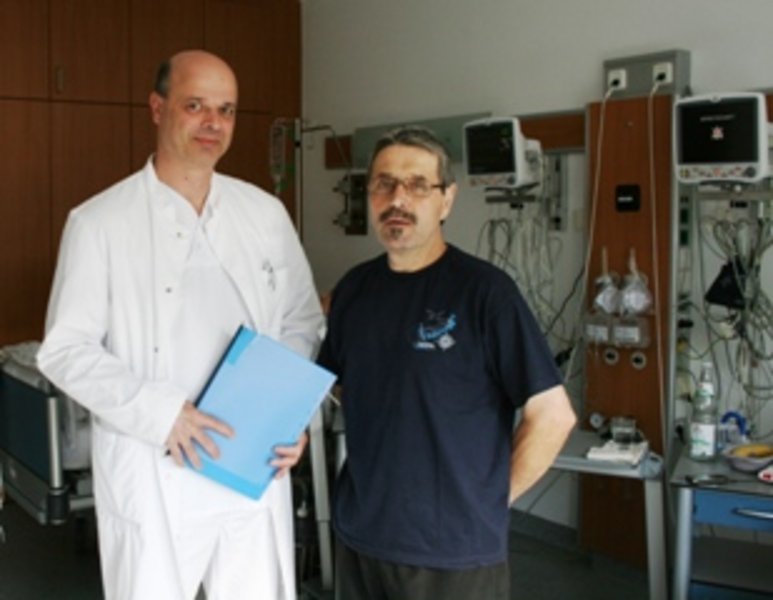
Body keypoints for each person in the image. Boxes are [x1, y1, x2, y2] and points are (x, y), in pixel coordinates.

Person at [37, 50, 323, 600]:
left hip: (250, 462)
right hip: (153, 467)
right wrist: (161, 413)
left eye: (226, 110)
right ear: (157, 108)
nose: (213, 122)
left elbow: (301, 320)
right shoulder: (99, 222)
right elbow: (66, 349)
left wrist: (284, 415)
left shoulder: (265, 214)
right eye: (195, 106)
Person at [317, 126, 577, 600]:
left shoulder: (486, 294)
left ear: (447, 200)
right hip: (361, 539)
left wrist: (488, 503)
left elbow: (553, 416)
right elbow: (333, 387)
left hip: (452, 554)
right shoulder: (354, 290)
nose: (398, 199)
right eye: (384, 184)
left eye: (418, 185)